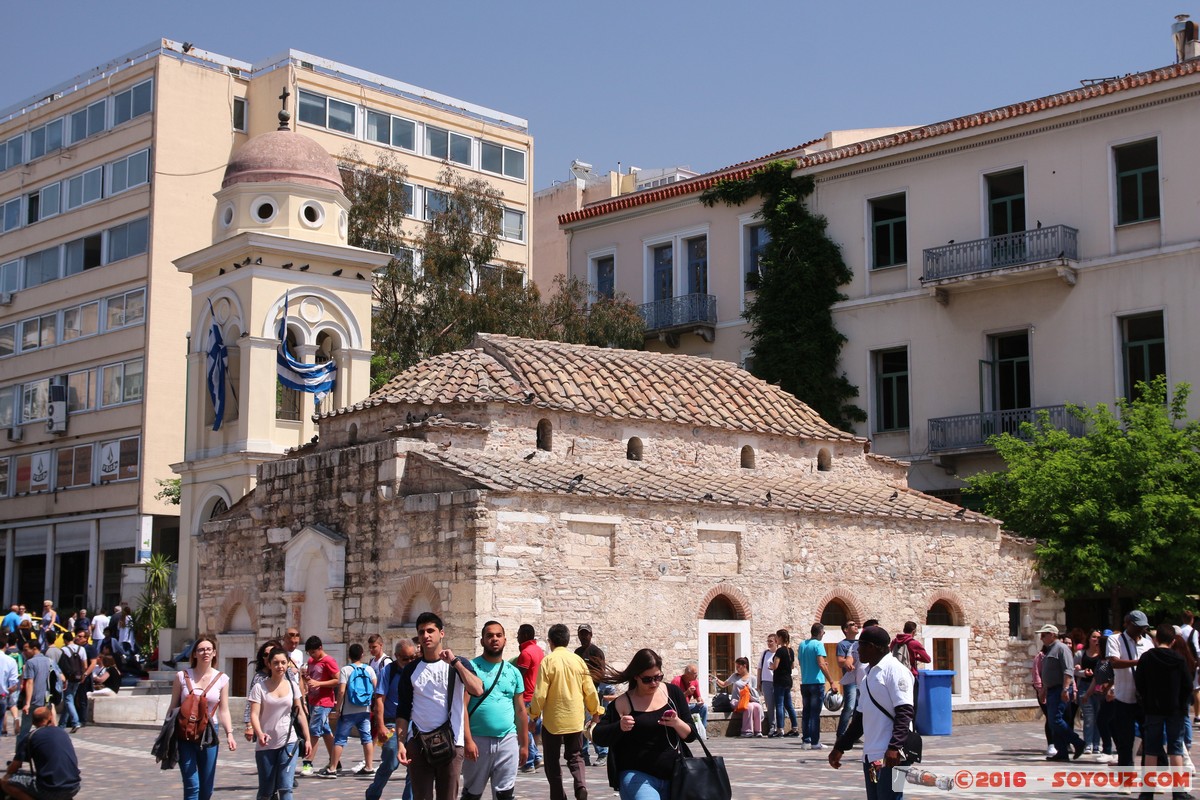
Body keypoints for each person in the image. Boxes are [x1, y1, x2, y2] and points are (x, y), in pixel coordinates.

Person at [394, 611, 483, 800]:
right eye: (421, 632)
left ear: (441, 633)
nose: (426, 636)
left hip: (451, 742)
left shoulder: (457, 664)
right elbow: (402, 710)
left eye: (430, 631)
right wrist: (400, 743)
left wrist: (455, 662)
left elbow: (477, 689)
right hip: (418, 742)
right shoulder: (411, 669)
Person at [593, 648, 698, 800]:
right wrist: (619, 727)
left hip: (675, 775)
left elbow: (690, 736)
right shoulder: (623, 703)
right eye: (647, 679)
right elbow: (598, 736)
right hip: (637, 775)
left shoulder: (673, 694)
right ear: (636, 676)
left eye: (658, 677)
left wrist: (676, 722)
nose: (654, 683)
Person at [829, 625, 915, 800]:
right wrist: (840, 747)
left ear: (873, 647)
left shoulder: (896, 671)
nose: (857, 651)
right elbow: (860, 719)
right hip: (871, 756)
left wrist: (894, 747)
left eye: (860, 646)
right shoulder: (868, 676)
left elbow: (905, 712)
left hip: (893, 756)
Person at [530, 623, 601, 800]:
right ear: (568, 640)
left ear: (550, 641)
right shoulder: (577, 661)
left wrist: (533, 715)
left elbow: (540, 694)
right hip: (575, 719)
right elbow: (589, 689)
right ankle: (580, 785)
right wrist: (595, 711)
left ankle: (558, 795)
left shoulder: (548, 661)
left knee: (552, 761)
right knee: (576, 756)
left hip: (553, 721)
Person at [461, 621, 529, 800]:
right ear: (482, 641)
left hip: (507, 740)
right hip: (477, 741)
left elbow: (521, 710)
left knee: (505, 794)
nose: (494, 639)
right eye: (489, 636)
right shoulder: (471, 668)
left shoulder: (513, 672)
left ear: (505, 640)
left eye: (498, 635)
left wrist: (524, 744)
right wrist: (467, 740)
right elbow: (462, 707)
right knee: (472, 794)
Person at [166, 634, 236, 800]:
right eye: (201, 649)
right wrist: (166, 733)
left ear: (214, 653)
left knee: (206, 787)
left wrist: (230, 733)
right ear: (194, 654)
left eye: (209, 649)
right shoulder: (182, 677)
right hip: (184, 733)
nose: (205, 652)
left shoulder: (222, 679)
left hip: (209, 733)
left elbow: (224, 710)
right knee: (192, 786)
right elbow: (173, 706)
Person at [1133, 624, 1193, 793]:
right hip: (1175, 710)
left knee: (1151, 748)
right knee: (1175, 749)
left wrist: (1145, 701)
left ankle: (1148, 791)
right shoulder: (1179, 659)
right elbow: (1187, 685)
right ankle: (1179, 791)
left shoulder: (1146, 658)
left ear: (1156, 639)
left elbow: (1140, 683)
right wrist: (1181, 704)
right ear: (1173, 641)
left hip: (1152, 709)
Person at [248, 645, 312, 800]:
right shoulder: (259, 687)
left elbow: (300, 714)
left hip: (289, 742)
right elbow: (254, 715)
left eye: (283, 662)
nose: (280, 666)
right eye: (276, 663)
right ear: (269, 664)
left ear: (287, 663)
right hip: (266, 744)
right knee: (266, 791)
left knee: (286, 788)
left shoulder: (292, 686)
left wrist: (308, 739)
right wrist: (259, 733)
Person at [366, 640, 417, 800]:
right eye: (405, 659)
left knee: (414, 767)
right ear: (396, 656)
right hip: (392, 723)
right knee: (390, 762)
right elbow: (379, 700)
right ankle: (373, 794)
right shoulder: (389, 671)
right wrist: (380, 726)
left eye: (412, 658)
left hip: (414, 723)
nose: (409, 662)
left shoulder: (418, 670)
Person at [0, 706, 81, 800]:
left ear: (33, 722)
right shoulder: (62, 733)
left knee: (6, 782)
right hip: (74, 786)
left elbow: (14, 767)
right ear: (50, 718)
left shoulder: (30, 737)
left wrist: (9, 771)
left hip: (50, 789)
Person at [1107, 609, 1153, 767]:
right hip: (1124, 698)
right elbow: (1114, 662)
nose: (1141, 630)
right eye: (1137, 626)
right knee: (1125, 741)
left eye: (1143, 627)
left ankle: (1150, 779)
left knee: (1150, 740)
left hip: (1144, 698)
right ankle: (1126, 780)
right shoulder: (1115, 640)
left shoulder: (1148, 643)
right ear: (1127, 624)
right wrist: (1139, 662)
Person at [1037, 624, 1085, 762]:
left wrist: (1065, 689)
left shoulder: (1062, 649)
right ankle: (1062, 751)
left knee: (1056, 720)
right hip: (1052, 690)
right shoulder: (1049, 650)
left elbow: (1068, 670)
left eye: (1044, 634)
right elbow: (1048, 672)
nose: (1041, 637)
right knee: (1053, 722)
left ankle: (1077, 742)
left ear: (1052, 634)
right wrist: (1044, 690)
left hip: (1060, 689)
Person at [329, 642, 376, 777]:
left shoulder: (346, 670)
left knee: (340, 739)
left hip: (349, 711)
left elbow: (341, 691)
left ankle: (332, 768)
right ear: (362, 655)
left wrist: (337, 709)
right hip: (365, 710)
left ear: (349, 656)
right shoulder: (369, 669)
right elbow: (376, 687)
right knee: (367, 738)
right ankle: (369, 766)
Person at [301, 635, 340, 777]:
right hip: (312, 699)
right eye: (309, 653)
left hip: (324, 702)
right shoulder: (311, 661)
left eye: (313, 652)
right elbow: (312, 677)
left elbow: (337, 679)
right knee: (325, 730)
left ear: (320, 648)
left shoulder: (329, 661)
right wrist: (307, 679)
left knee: (314, 731)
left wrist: (319, 684)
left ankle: (308, 762)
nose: (311, 655)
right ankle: (335, 760)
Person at [17, 640, 62, 753]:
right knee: (46, 729)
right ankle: (48, 753)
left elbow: (29, 683)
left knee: (24, 731)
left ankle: (19, 757)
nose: (24, 652)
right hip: (47, 701)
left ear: (34, 648)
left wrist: (27, 703)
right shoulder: (50, 661)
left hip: (33, 701)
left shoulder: (30, 663)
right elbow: (62, 678)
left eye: (26, 649)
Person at [575, 624, 609, 767]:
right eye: (582, 634)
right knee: (582, 724)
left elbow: (601, 673)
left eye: (586, 634)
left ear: (591, 635)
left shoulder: (596, 652)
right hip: (579, 693)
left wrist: (591, 681)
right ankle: (584, 755)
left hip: (593, 692)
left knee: (593, 723)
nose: (584, 637)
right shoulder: (577, 652)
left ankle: (602, 753)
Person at [799, 623, 837, 749]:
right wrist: (831, 681)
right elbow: (821, 664)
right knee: (815, 714)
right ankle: (815, 742)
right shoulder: (818, 645)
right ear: (820, 632)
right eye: (823, 632)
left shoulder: (802, 645)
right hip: (817, 682)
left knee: (806, 712)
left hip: (805, 682)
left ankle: (806, 740)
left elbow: (802, 662)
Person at [242, 640, 287, 742]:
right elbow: (251, 702)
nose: (268, 657)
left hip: (286, 725)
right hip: (265, 724)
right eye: (265, 655)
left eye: (271, 654)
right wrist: (249, 725)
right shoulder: (259, 677)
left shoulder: (287, 674)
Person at [515, 623, 545, 773]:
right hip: (537, 696)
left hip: (526, 696)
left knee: (524, 728)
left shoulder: (526, 653)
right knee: (532, 729)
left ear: (525, 636)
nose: (517, 637)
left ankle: (529, 762)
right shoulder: (539, 650)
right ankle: (537, 757)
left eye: (519, 634)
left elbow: (519, 676)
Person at [889, 622, 931, 719]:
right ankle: (911, 729)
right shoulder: (914, 643)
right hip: (910, 675)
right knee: (912, 704)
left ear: (904, 629)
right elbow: (927, 659)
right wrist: (916, 657)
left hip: (896, 676)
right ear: (913, 631)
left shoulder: (895, 641)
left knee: (898, 703)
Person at [58, 628, 95, 733]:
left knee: (68, 700)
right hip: (79, 678)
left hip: (68, 678)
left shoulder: (64, 650)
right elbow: (85, 665)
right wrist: (83, 675)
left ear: (65, 640)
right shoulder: (81, 649)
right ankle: (62, 724)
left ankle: (75, 722)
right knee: (69, 699)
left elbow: (61, 666)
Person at [715, 657, 763, 736]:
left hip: (749, 700)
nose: (737, 669)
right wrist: (716, 680)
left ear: (744, 666)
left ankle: (758, 731)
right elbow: (724, 684)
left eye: (738, 667)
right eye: (736, 667)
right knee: (749, 706)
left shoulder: (753, 679)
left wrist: (749, 689)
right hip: (736, 701)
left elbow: (755, 693)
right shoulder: (735, 676)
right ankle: (746, 731)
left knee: (757, 706)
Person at [1075, 629, 1104, 756]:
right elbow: (1073, 670)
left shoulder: (1103, 655)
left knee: (1098, 717)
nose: (1096, 640)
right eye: (1093, 637)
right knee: (1088, 717)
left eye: (1098, 637)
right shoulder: (1080, 654)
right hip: (1084, 686)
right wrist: (1083, 673)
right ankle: (1088, 744)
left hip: (1099, 688)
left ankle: (1096, 744)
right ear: (1088, 638)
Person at [769, 628, 799, 738]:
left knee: (780, 705)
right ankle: (794, 728)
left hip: (779, 680)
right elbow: (792, 666)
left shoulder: (780, 651)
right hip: (788, 680)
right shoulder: (790, 650)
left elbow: (775, 665)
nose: (776, 639)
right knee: (789, 705)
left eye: (776, 637)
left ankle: (780, 729)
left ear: (780, 638)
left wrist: (771, 666)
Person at [837, 620, 861, 739]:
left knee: (859, 708)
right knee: (849, 707)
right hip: (850, 680)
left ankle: (854, 735)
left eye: (856, 624)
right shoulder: (842, 644)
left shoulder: (860, 643)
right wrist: (848, 661)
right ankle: (841, 735)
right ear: (846, 630)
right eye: (852, 625)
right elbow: (840, 661)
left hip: (861, 680)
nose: (856, 626)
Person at [669, 664, 707, 730]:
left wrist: (700, 701)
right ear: (687, 674)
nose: (696, 675)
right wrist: (686, 693)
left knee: (704, 707)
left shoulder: (695, 682)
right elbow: (673, 700)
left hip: (688, 706)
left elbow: (698, 697)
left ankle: (702, 731)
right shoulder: (676, 681)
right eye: (694, 673)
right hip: (678, 708)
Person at [758, 633, 778, 737]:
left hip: (777, 682)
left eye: (771, 641)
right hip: (766, 681)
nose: (769, 643)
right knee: (770, 705)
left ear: (776, 642)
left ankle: (780, 727)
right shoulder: (765, 654)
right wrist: (759, 683)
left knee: (779, 705)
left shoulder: (779, 653)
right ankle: (772, 726)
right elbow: (760, 669)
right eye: (768, 641)